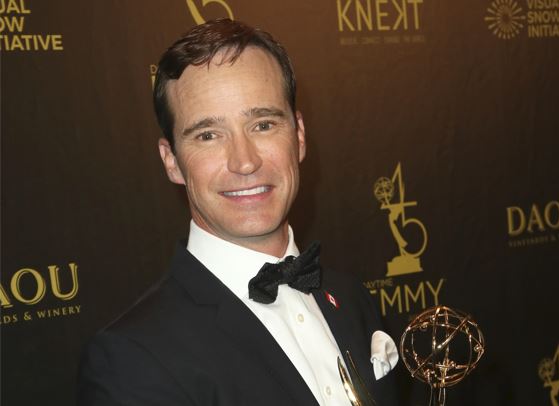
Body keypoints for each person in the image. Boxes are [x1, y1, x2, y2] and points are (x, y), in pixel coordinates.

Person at [77, 18, 400, 406]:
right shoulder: (132, 360)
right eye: (208, 135)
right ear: (171, 161)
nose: (244, 161)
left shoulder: (352, 298)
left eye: (262, 125)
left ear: (298, 136)